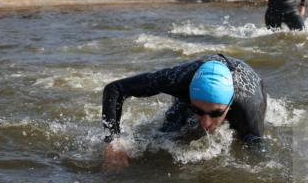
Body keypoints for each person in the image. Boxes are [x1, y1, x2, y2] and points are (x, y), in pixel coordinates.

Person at [101, 55, 268, 170]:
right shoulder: (178, 80)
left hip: (249, 82)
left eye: (215, 114)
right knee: (165, 137)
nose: (205, 123)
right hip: (196, 75)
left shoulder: (249, 105)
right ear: (188, 95)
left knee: (248, 142)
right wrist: (113, 145)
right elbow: (114, 89)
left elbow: (258, 162)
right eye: (198, 110)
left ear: (230, 104)